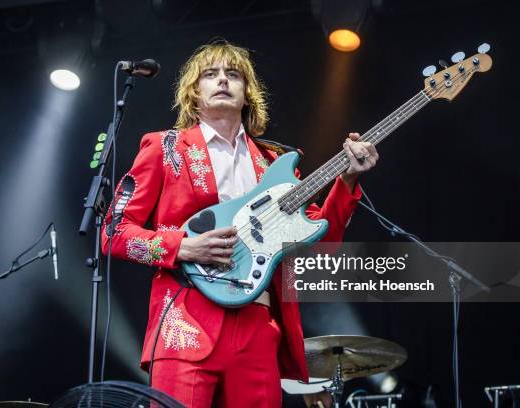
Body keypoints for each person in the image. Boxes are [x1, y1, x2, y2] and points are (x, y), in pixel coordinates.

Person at [101, 40, 379, 408]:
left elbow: (318, 243)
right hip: (185, 319)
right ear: (193, 92)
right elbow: (113, 230)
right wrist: (181, 247)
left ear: (247, 94)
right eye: (210, 74)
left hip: (257, 326)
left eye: (233, 75)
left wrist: (347, 182)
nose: (222, 81)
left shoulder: (273, 162)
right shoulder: (165, 147)